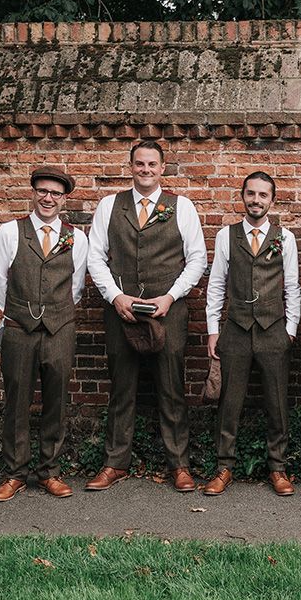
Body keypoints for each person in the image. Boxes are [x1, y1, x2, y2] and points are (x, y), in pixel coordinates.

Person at [86, 141, 207, 492]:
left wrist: (171, 296)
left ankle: (179, 465)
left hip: (168, 311)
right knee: (121, 388)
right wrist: (115, 296)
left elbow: (197, 258)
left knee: (171, 388)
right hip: (121, 310)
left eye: (152, 164)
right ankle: (114, 463)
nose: (146, 170)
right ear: (131, 167)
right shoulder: (110, 205)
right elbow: (96, 257)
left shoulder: (182, 207)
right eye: (139, 164)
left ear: (163, 167)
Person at [0, 167, 87, 501]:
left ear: (64, 199)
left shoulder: (76, 237)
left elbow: (76, 287)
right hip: (19, 329)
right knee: (17, 401)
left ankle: (49, 472)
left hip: (60, 329)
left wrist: (54, 313)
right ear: (33, 193)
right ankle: (14, 473)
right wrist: (22, 311)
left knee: (56, 401)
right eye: (43, 191)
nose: (48, 198)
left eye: (55, 194)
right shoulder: (9, 232)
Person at [202, 172, 301, 496]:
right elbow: (216, 284)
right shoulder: (226, 236)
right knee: (229, 403)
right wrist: (214, 331)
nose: (256, 200)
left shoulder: (284, 238)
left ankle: (278, 468)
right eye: (251, 194)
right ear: (242, 196)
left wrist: (290, 330)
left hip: (274, 331)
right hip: (237, 329)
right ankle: (224, 467)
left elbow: (292, 287)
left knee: (277, 402)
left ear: (272, 200)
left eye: (263, 195)